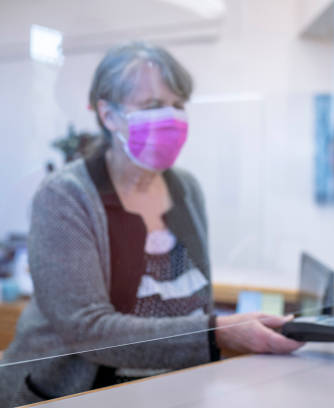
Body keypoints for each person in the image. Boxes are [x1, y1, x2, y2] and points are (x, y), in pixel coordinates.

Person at [0, 42, 302, 406]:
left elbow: (192, 302)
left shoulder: (185, 188)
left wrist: (229, 329)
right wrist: (218, 332)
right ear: (109, 115)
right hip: (73, 394)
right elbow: (89, 331)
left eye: (178, 105)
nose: (172, 118)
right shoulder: (65, 196)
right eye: (153, 106)